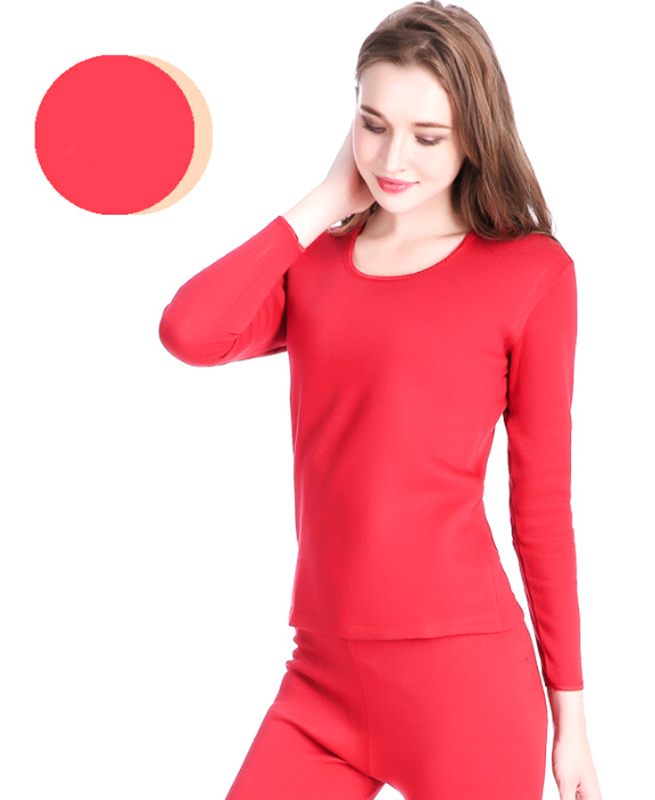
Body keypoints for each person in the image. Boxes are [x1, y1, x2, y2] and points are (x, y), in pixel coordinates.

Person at [158, 2, 602, 798]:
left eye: (428, 136)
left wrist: (571, 719)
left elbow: (540, 506)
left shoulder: (530, 274)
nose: (394, 158)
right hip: (319, 678)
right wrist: (326, 199)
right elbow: (190, 332)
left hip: (464, 684)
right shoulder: (316, 265)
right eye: (373, 125)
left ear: (475, 135)